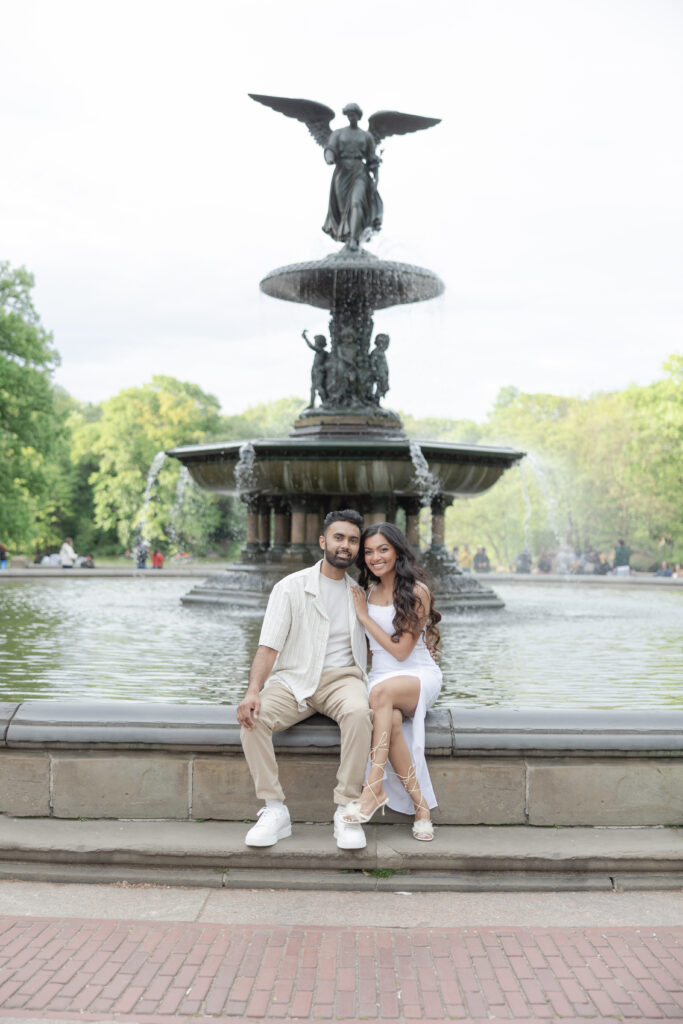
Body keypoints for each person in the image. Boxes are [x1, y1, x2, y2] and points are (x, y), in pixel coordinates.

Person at [237, 509, 372, 850]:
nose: (346, 546)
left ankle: (347, 809)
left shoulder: (361, 593)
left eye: (353, 540)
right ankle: (274, 809)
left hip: (342, 680)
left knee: (359, 713)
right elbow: (268, 647)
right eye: (339, 538)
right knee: (254, 718)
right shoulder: (290, 588)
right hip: (294, 679)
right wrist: (253, 691)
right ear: (323, 541)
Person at [343, 523, 442, 842]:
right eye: (369, 551)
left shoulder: (417, 591)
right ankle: (422, 808)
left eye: (383, 549)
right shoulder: (368, 591)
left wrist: (365, 617)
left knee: (383, 694)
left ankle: (372, 788)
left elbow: (401, 652)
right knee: (393, 721)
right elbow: (373, 652)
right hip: (381, 679)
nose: (375, 557)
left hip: (417, 675)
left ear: (397, 550)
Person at [322, 103, 383, 250]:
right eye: (349, 114)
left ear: (359, 116)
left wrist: (376, 178)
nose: (351, 116)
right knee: (344, 210)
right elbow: (330, 148)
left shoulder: (366, 136)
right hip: (342, 172)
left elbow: (371, 159)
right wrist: (329, 157)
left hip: (359, 172)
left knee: (357, 203)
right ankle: (348, 237)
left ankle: (354, 240)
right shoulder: (338, 133)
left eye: (354, 113)